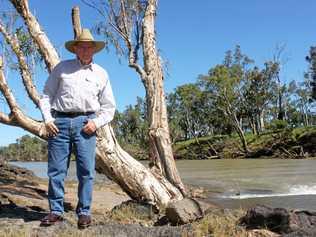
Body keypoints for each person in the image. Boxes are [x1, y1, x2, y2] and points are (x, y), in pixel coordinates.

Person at [38, 29, 116, 229]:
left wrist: (95, 123)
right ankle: (56, 211)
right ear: (75, 48)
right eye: (81, 46)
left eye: (89, 46)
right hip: (59, 124)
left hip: (86, 125)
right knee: (56, 171)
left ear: (94, 49)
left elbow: (109, 107)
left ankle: (84, 212)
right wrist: (48, 120)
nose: (85, 49)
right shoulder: (61, 68)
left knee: (86, 171)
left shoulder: (101, 73)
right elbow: (46, 95)